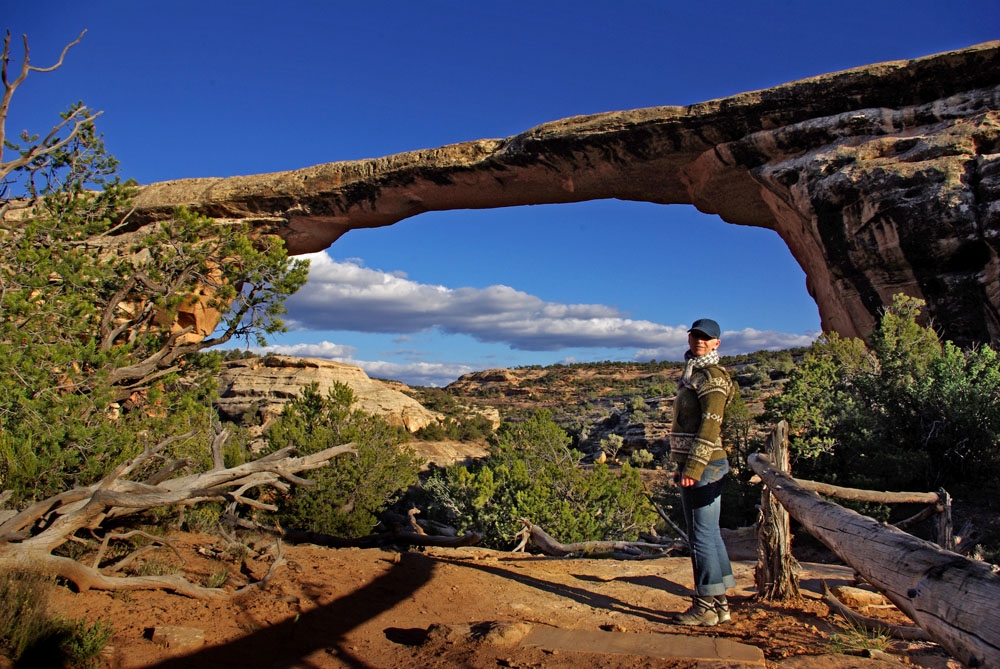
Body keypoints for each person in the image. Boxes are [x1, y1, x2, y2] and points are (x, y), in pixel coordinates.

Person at [668, 318, 738, 626]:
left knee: (701, 536)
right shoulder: (693, 374)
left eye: (705, 337)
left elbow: (711, 424)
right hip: (698, 464)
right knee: (708, 534)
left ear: (716, 343)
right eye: (695, 335)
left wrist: (693, 467)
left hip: (706, 465)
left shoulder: (712, 377)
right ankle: (720, 603)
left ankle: (705, 606)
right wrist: (681, 465)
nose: (699, 340)